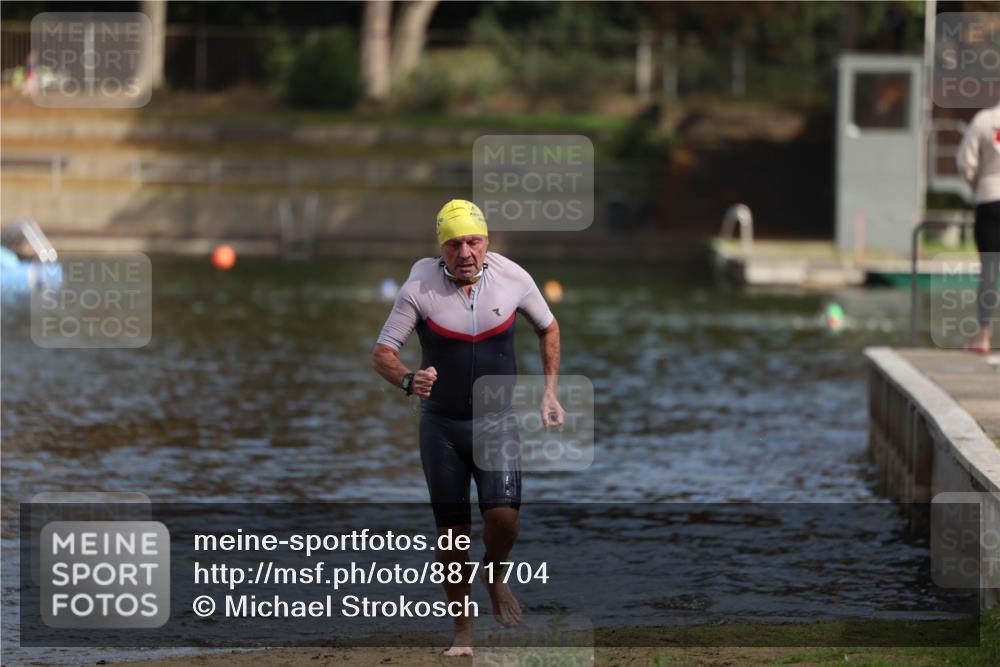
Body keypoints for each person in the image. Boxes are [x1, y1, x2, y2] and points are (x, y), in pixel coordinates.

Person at [372, 199, 565, 656]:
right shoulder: (419, 286)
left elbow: (549, 328)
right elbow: (382, 352)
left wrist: (550, 391)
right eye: (454, 243)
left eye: (473, 241)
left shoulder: (514, 278)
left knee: (504, 519)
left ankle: (494, 573)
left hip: (496, 423)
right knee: (452, 536)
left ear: (486, 242)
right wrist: (407, 378)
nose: (464, 251)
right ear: (442, 247)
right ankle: (463, 631)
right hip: (441, 427)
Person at [957, 101, 1000, 353]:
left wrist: (978, 187)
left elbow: (965, 162)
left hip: (989, 199)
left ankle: (983, 338)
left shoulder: (984, 120)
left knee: (989, 272)